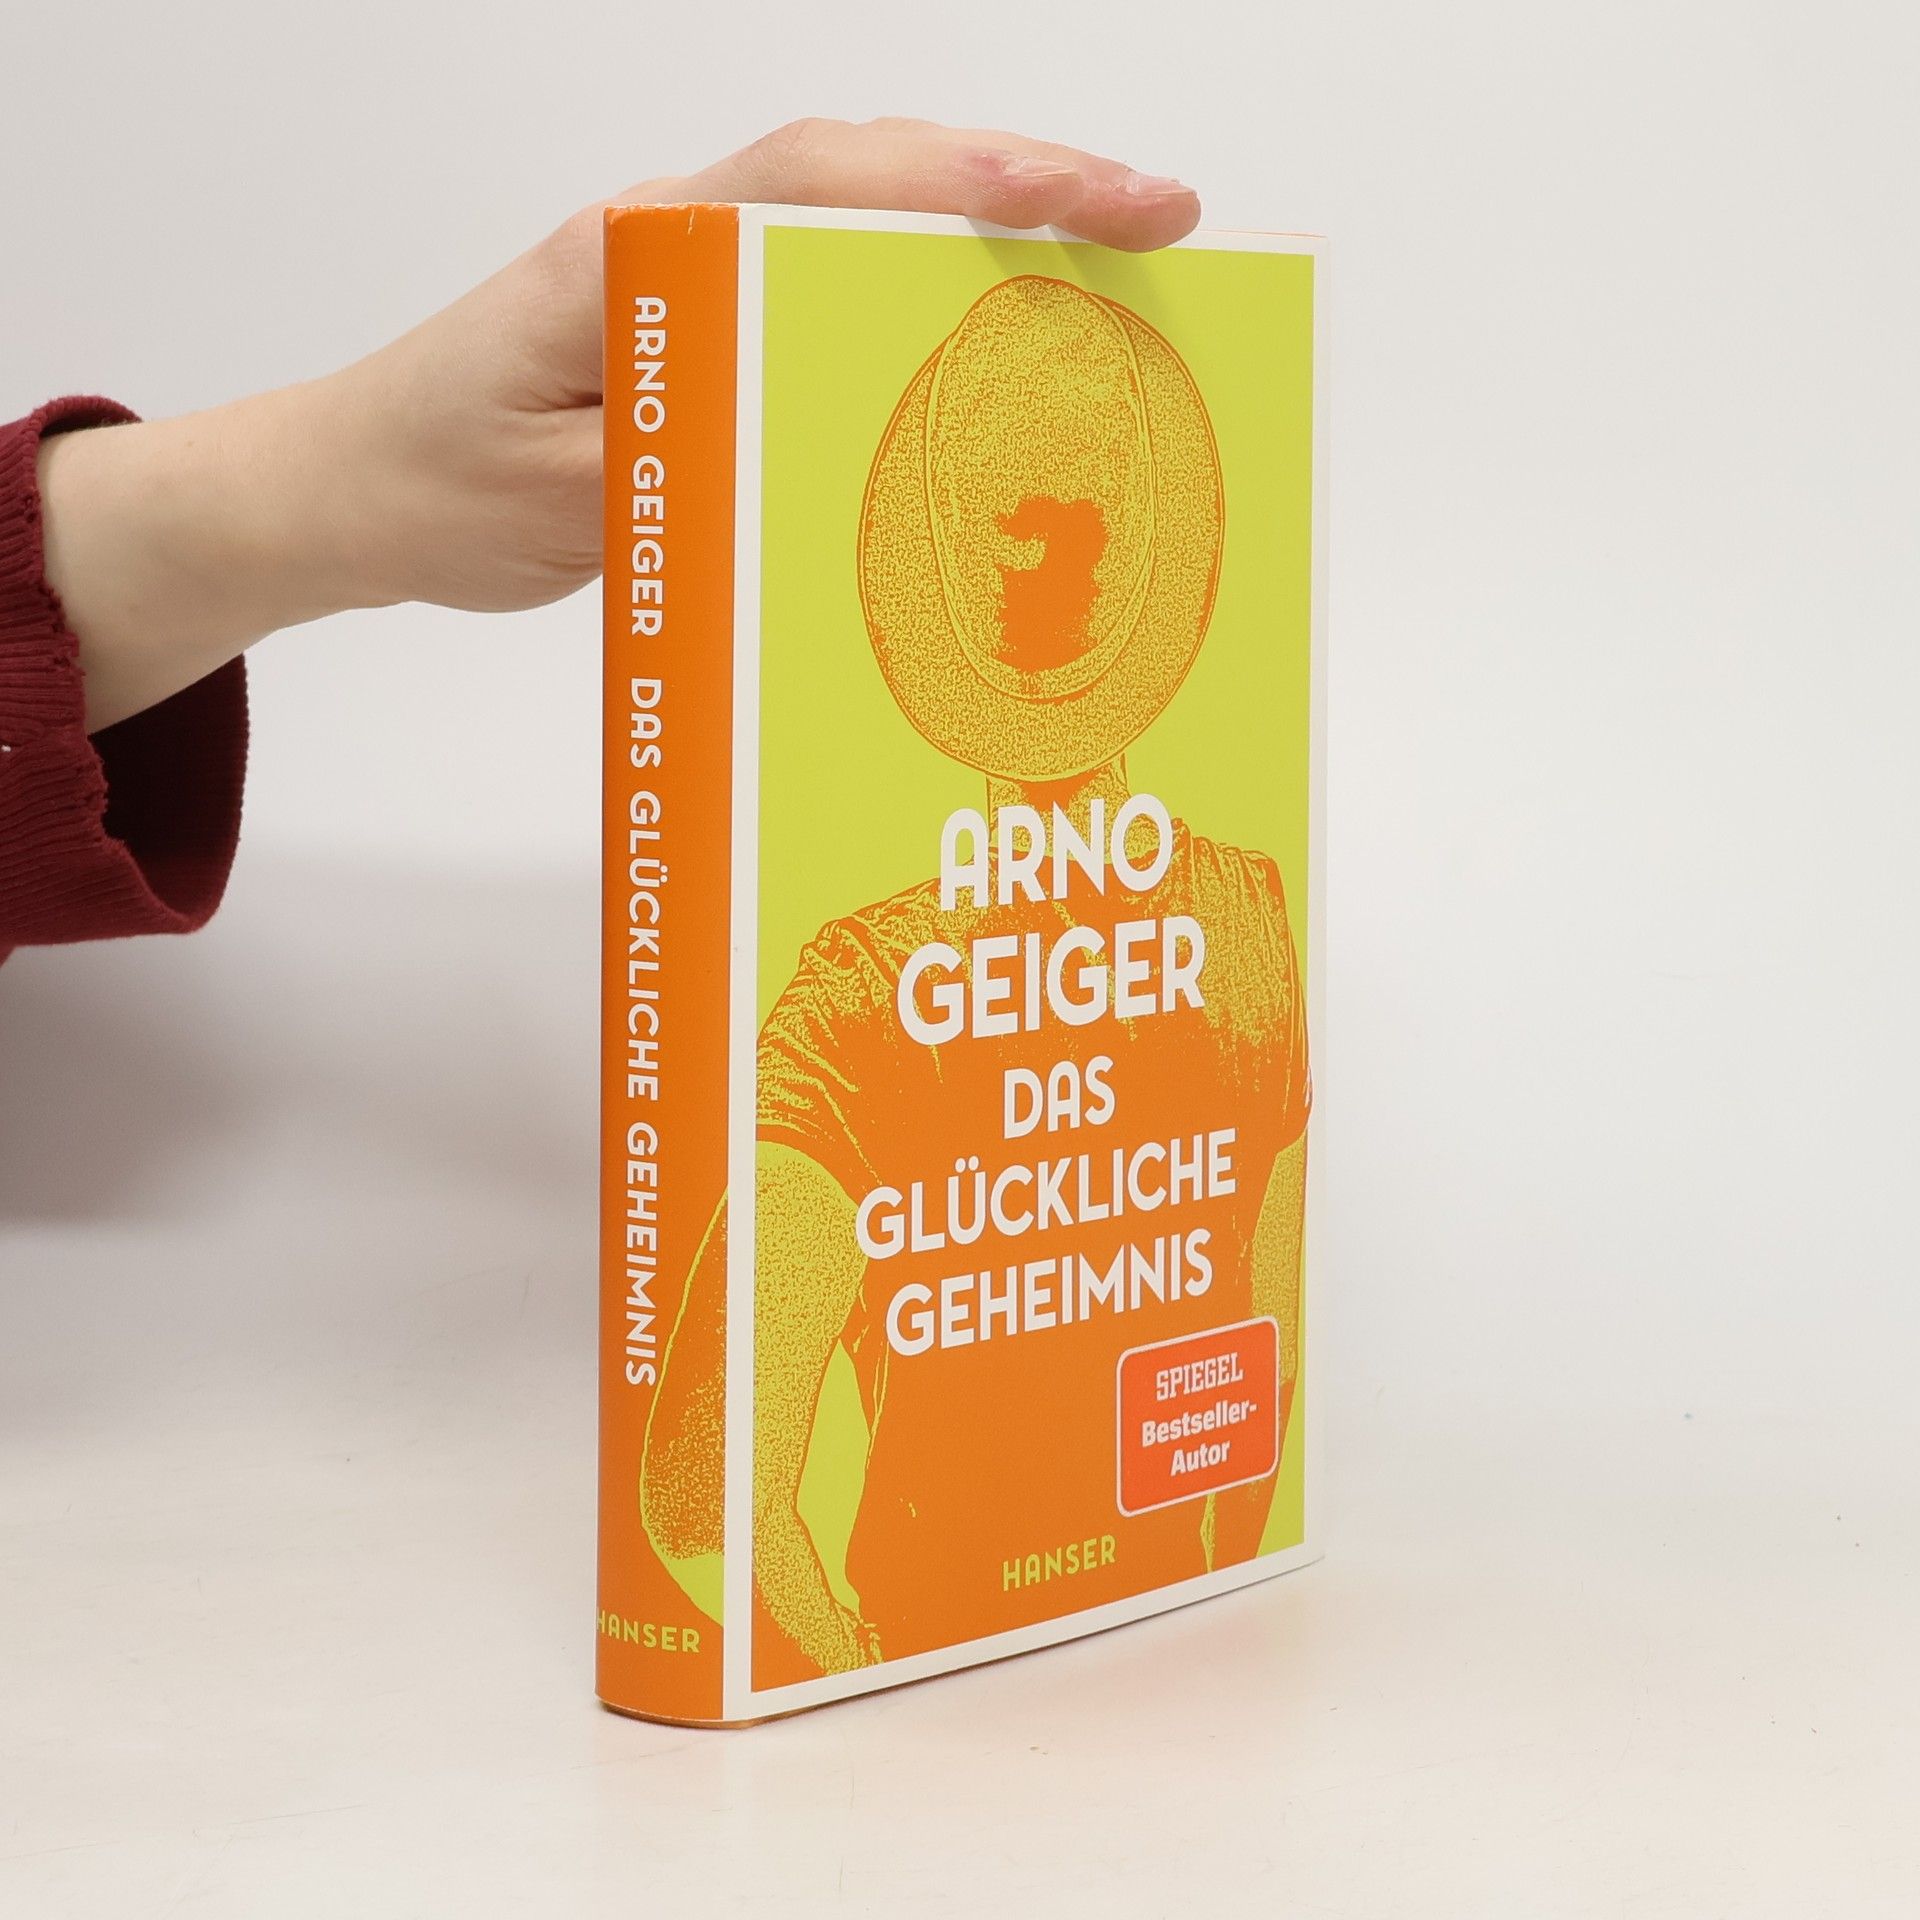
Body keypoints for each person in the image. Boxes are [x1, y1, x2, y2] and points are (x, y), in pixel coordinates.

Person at [0, 118, 1200, 966]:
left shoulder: (1234, 918)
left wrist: (331, 487)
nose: (1028, 546)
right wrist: (331, 484)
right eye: (1008, 505)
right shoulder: (852, 973)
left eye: (1071, 509)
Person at [638, 274, 1311, 1685]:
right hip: (1186, 1645)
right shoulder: (1248, 922)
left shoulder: (861, 1002)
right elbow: (1267, 1353)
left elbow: (706, 1502)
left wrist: (848, 1664)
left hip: (927, 1659)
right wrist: (1209, 1577)